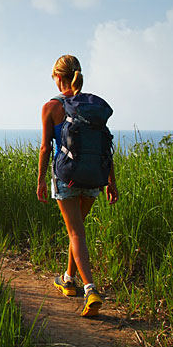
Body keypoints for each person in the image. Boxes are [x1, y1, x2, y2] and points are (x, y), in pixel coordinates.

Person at [35, 55, 120, 317]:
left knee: (76, 234)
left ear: (58, 77)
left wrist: (40, 181)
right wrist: (111, 181)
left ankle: (91, 289)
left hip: (66, 177)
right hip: (94, 176)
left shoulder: (51, 107)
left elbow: (45, 147)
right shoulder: (93, 106)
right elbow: (105, 146)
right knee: (78, 230)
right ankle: (68, 279)